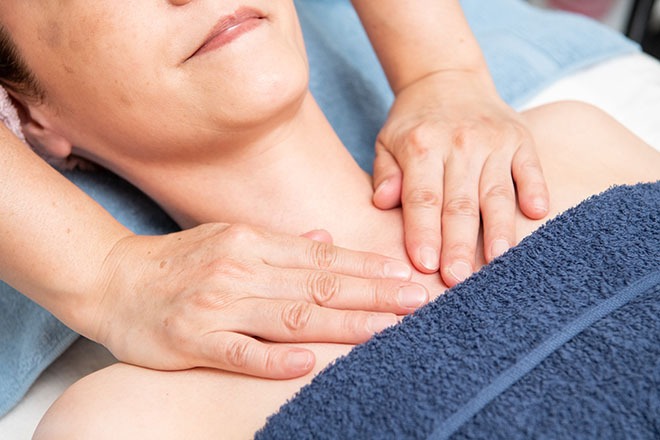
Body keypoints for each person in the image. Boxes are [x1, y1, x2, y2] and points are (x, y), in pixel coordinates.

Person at [0, 0, 656, 437]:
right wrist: (107, 276)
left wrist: (444, 70)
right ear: (27, 116)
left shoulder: (569, 146)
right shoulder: (136, 422)